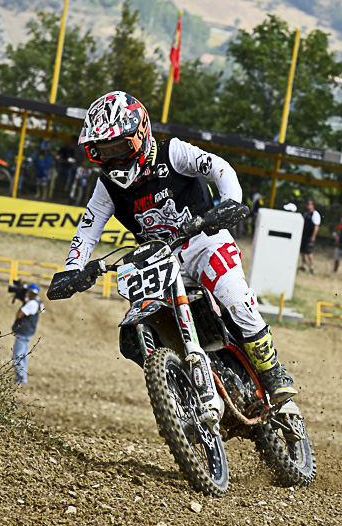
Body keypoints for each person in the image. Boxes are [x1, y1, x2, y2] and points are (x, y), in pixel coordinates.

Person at [53, 90, 296, 404]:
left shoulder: (173, 152)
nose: (113, 159)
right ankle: (178, 388)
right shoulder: (107, 186)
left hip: (204, 240)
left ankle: (273, 373)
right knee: (137, 327)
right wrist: (73, 268)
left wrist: (229, 202)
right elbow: (88, 229)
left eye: (118, 147)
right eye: (102, 151)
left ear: (140, 134)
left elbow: (218, 167)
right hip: (157, 260)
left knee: (236, 298)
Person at [11, 283, 42, 385]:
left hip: (23, 333)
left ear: (30, 292)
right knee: (23, 356)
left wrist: (24, 302)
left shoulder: (31, 303)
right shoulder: (38, 302)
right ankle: (23, 378)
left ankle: (21, 378)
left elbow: (19, 315)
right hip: (29, 333)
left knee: (16, 356)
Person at [299, 199, 321, 273]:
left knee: (309, 252)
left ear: (313, 206)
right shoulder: (306, 214)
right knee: (303, 251)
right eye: (307, 204)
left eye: (309, 204)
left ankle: (311, 266)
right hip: (304, 235)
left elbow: (316, 227)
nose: (307, 205)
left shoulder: (315, 214)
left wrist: (313, 236)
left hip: (309, 236)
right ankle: (304, 265)